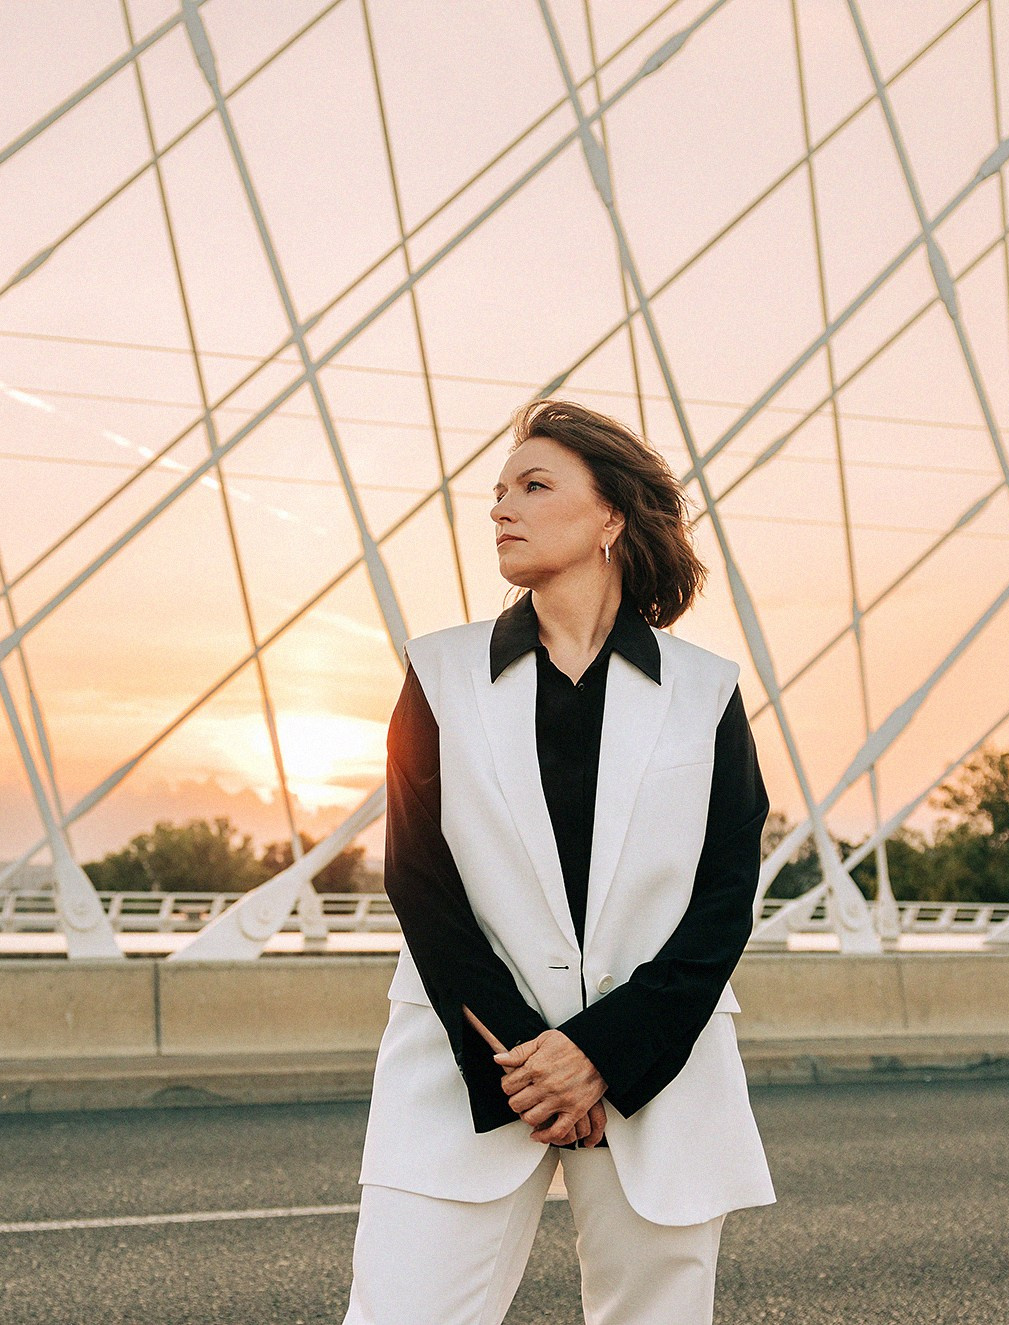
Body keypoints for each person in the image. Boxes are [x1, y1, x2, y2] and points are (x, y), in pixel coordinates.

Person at [343, 398, 776, 1324]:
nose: (502, 507)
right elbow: (420, 882)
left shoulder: (705, 692)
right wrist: (535, 1061)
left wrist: (604, 1055)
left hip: (659, 1068)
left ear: (612, 513)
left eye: (535, 486)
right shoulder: (439, 673)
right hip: (469, 1060)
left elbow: (723, 899)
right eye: (498, 490)